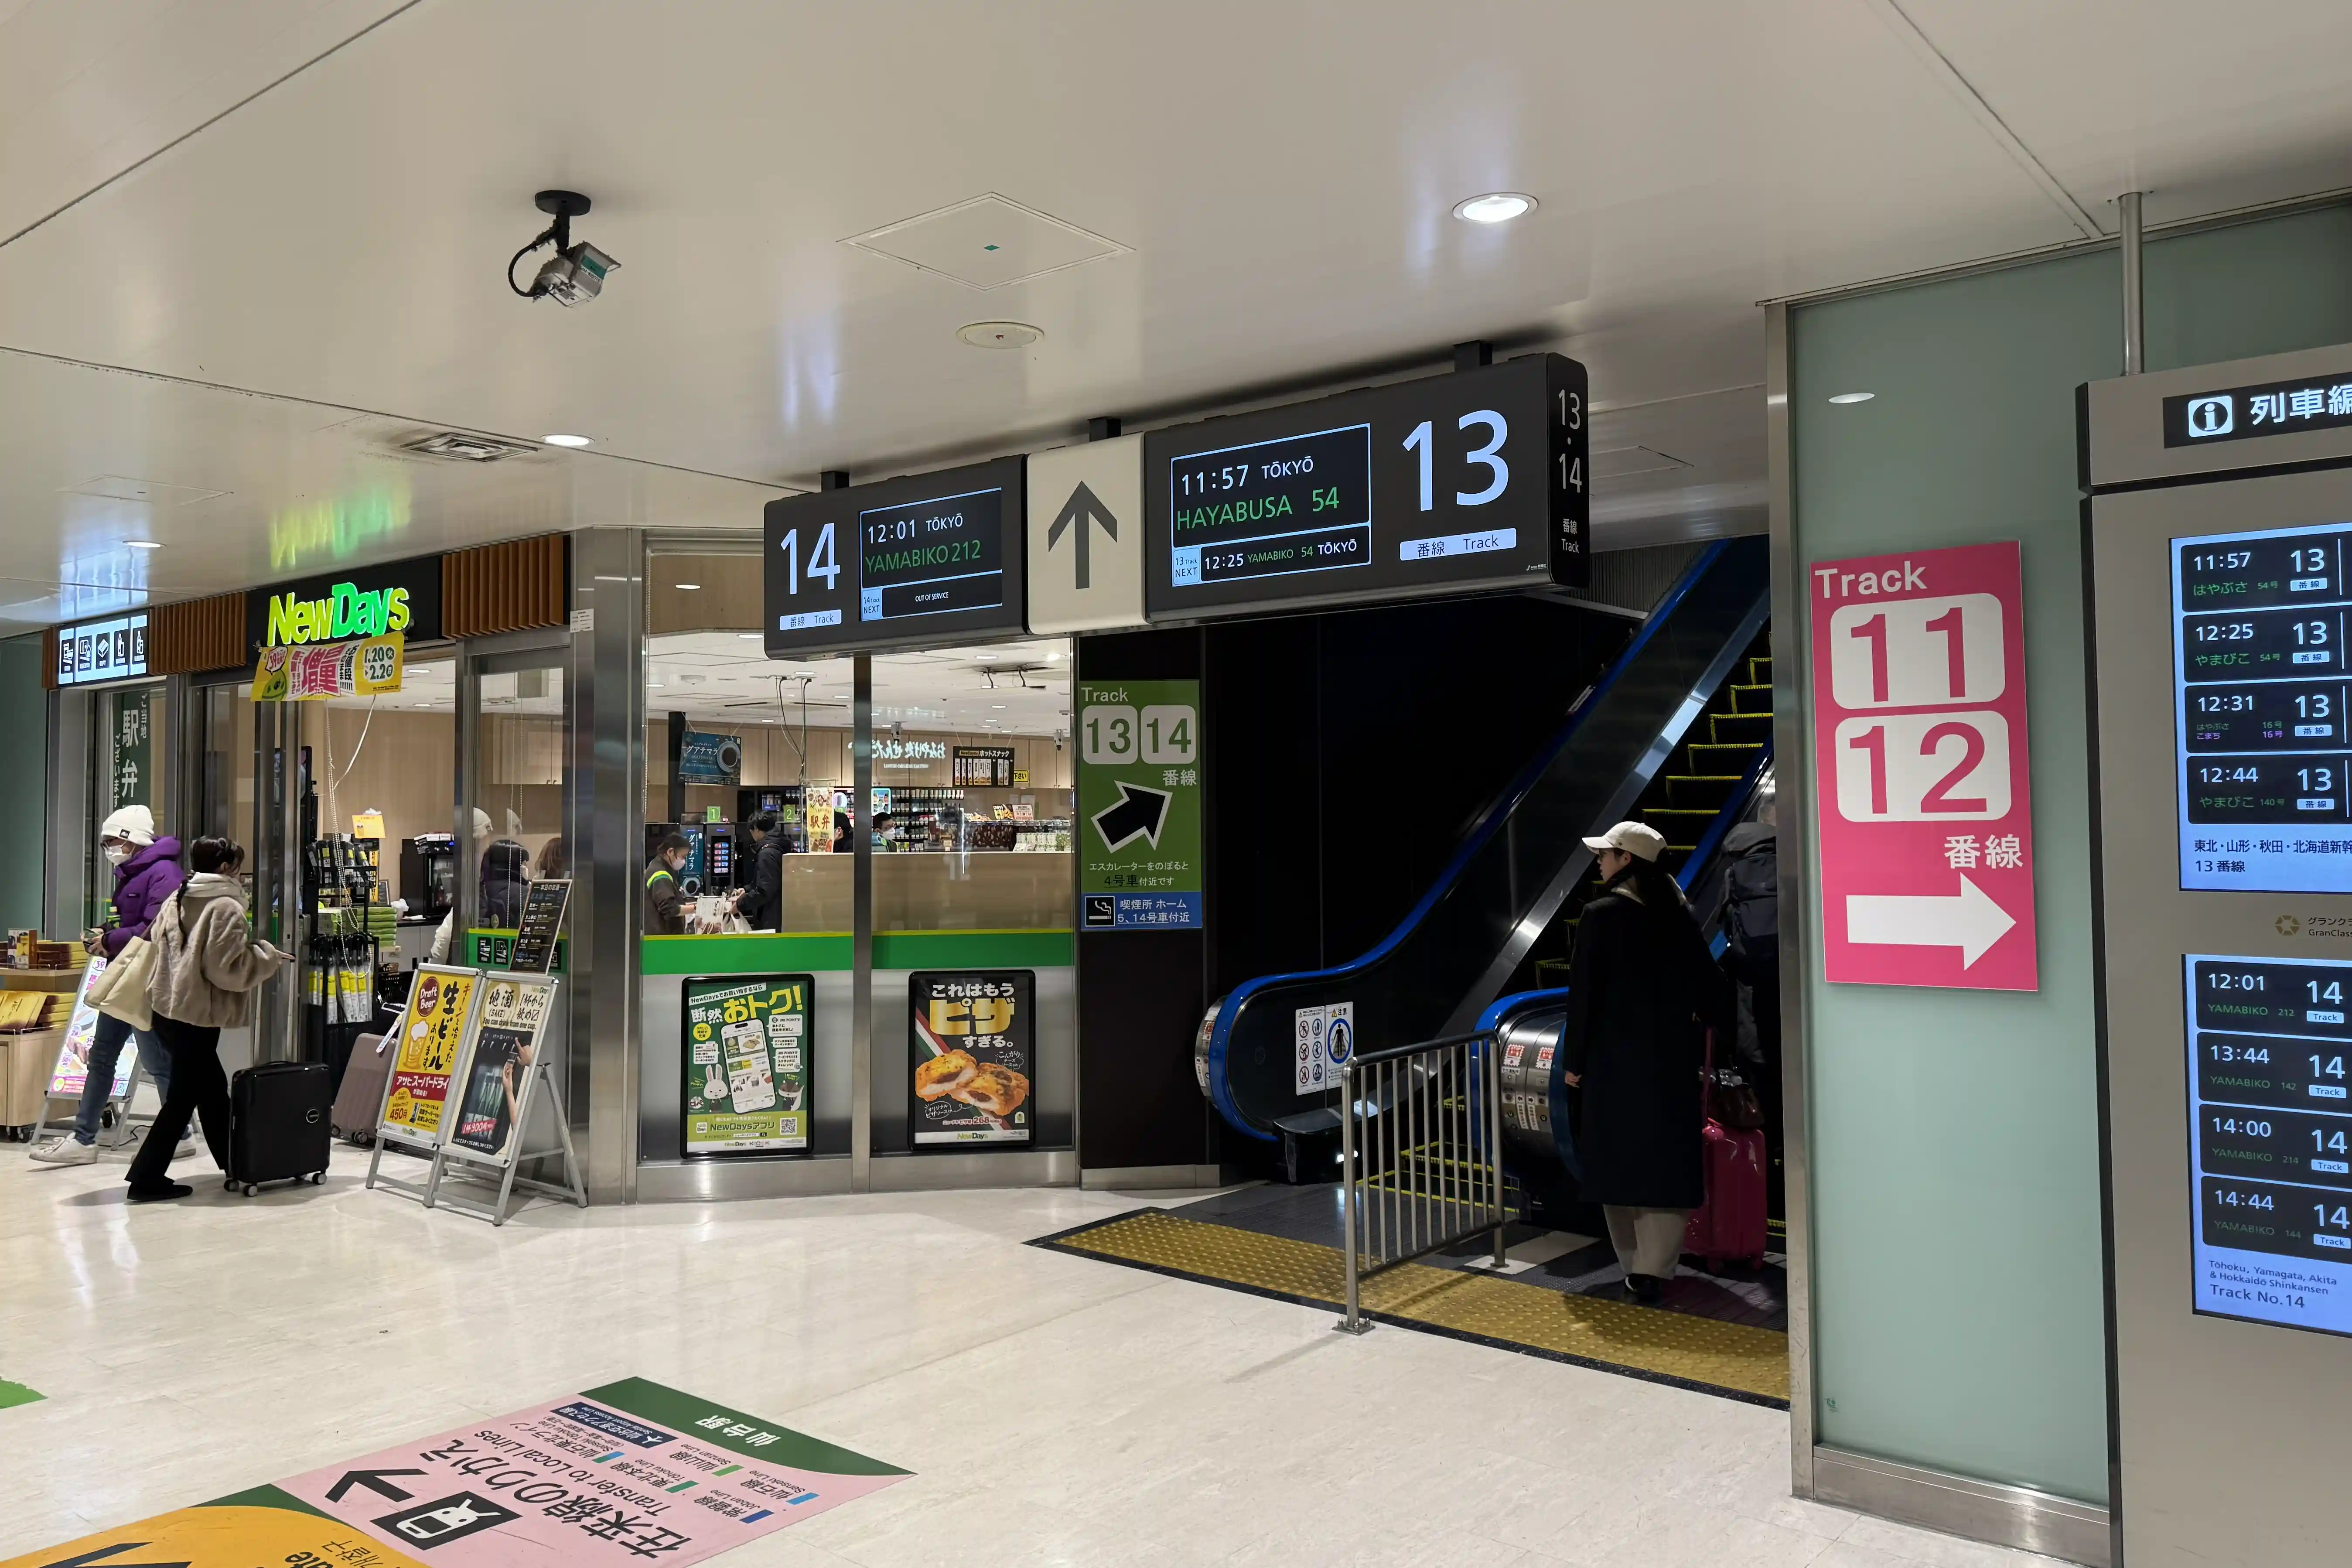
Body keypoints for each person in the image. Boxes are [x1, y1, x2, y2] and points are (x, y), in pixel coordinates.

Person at [1560, 820, 1735, 1303]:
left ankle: (1630, 1265)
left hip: (1612, 1065)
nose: (1598, 861)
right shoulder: (1677, 914)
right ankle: (1654, 1270)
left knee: (1617, 1163)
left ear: (1626, 860)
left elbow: (1584, 998)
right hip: (1669, 1065)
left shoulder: (1600, 915)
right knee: (1662, 1165)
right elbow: (1713, 987)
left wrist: (1573, 1062)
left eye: (1606, 854)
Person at [130, 837, 293, 1202]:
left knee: (211, 1089)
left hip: (168, 1008)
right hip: (197, 1014)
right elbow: (225, 970)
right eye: (237, 866)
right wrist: (266, 958)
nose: (240, 874)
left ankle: (235, 1164)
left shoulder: (180, 895)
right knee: (185, 1096)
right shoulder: (226, 907)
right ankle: (146, 1176)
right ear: (224, 868)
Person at [31, 807, 188, 1166]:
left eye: (112, 840)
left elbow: (155, 927)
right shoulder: (133, 871)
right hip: (123, 977)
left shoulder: (164, 872)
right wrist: (106, 933)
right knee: (102, 1057)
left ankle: (180, 1132)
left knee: (156, 1061)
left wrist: (110, 939)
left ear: (131, 838)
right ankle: (85, 1137)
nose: (108, 847)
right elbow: (132, 921)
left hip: (144, 979)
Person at [1718, 793, 1782, 1216]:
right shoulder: (1800, 859)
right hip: (1793, 1001)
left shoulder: (1734, 868)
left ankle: (1764, 1189)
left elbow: (1729, 932)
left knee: (1761, 1093)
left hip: (1750, 1005)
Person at [733, 813, 786, 931]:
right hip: (782, 912)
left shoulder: (767, 853)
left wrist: (740, 904)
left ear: (756, 829)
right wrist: (747, 890)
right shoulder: (781, 845)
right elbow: (770, 879)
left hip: (771, 917)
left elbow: (765, 890)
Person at [643, 833, 690, 936]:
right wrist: (696, 909)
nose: (684, 861)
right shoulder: (660, 874)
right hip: (663, 939)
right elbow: (670, 909)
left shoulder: (660, 867)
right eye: (683, 857)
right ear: (670, 852)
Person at [479, 840, 532, 928]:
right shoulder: (524, 894)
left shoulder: (474, 892)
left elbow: (448, 932)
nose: (525, 867)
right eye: (523, 863)